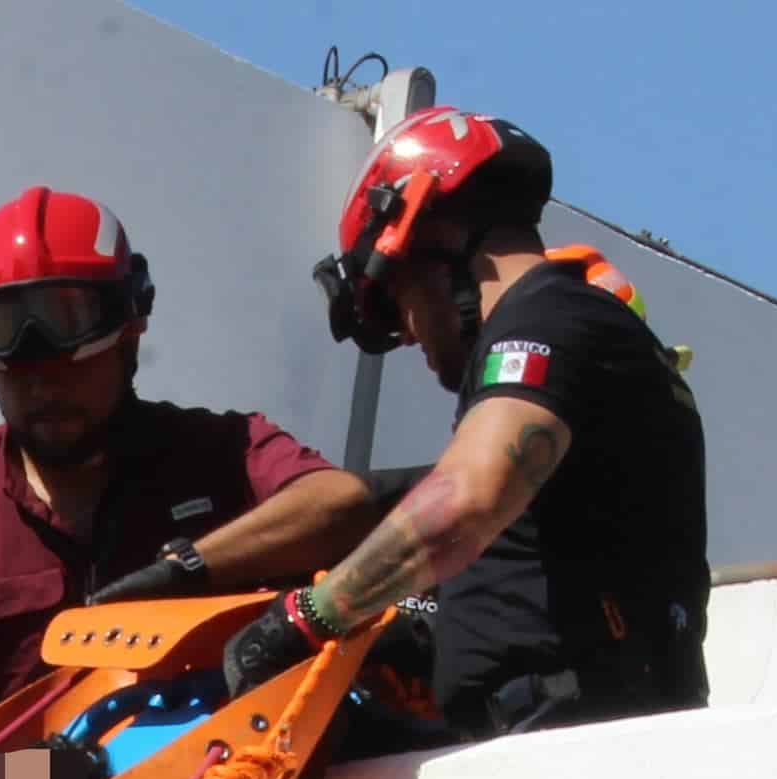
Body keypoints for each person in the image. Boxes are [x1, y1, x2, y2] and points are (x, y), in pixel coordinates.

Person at [0, 186, 377, 775]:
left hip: (220, 772)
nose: (44, 387)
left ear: (131, 328)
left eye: (71, 357)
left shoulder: (223, 453)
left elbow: (340, 503)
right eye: (17, 367)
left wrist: (187, 569)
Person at [195, 110, 707, 739]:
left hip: (567, 746)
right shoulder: (576, 334)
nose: (408, 334)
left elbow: (462, 501)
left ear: (420, 231)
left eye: (397, 302)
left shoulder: (554, 318)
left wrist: (304, 619)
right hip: (552, 731)